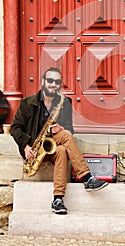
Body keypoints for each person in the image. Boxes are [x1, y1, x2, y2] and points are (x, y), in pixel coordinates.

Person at [11, 67, 108, 215]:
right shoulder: (26, 103)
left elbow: (70, 130)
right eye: (50, 80)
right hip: (33, 148)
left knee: (63, 145)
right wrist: (25, 145)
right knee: (63, 145)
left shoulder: (64, 102)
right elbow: (15, 128)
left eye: (57, 82)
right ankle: (87, 177)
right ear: (43, 81)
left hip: (52, 144)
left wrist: (62, 128)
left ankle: (58, 199)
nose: (53, 84)